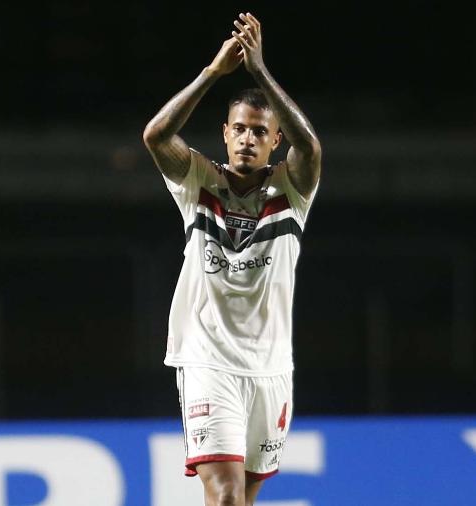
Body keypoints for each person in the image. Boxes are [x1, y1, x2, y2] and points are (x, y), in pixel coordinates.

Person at [141, 12, 321, 506]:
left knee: (244, 496)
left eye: (259, 132)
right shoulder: (199, 181)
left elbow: (311, 146)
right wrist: (214, 72)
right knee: (223, 496)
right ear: (224, 133)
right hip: (207, 357)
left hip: (270, 366)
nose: (247, 139)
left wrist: (259, 69)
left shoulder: (291, 189)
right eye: (239, 129)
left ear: (273, 141)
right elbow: (155, 136)